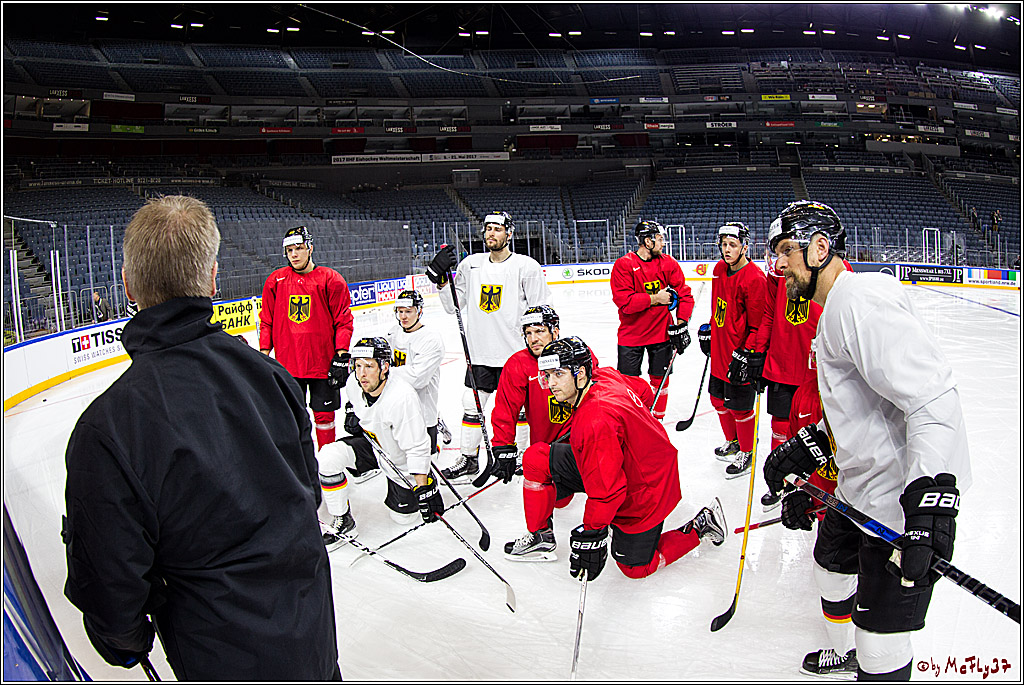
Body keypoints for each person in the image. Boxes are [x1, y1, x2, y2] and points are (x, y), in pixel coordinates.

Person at [62, 195, 340, 680]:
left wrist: (127, 641)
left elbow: (112, 594)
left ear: (127, 284)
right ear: (213, 278)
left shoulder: (106, 429)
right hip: (312, 637)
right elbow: (308, 493)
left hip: (218, 655)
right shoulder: (272, 377)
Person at [762, 200, 971, 681]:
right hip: (856, 490)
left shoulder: (858, 300)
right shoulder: (833, 310)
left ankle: (871, 660)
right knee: (830, 570)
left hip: (898, 504)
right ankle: (844, 654)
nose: (777, 263)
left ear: (820, 248)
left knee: (881, 646)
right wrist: (809, 445)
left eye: (786, 250)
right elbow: (864, 409)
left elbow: (931, 397)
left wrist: (932, 503)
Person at [513, 335, 727, 578]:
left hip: (647, 486)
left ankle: (702, 525)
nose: (551, 383)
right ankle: (540, 537)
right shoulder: (603, 376)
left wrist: (592, 534)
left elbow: (608, 492)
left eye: (559, 374)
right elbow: (644, 390)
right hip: (622, 461)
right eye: (548, 374)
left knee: (635, 568)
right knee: (536, 458)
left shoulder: (595, 422)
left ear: (580, 373)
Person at [736, 213, 852, 511]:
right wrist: (759, 352)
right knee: (781, 425)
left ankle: (817, 485)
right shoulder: (777, 276)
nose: (780, 262)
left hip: (815, 370)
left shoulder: (841, 280)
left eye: (787, 251)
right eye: (778, 254)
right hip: (781, 363)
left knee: (819, 433)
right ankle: (783, 482)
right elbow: (769, 314)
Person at [425, 211, 551, 483]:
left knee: (519, 410)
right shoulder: (471, 264)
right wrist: (443, 281)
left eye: (497, 228)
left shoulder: (525, 266)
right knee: (470, 406)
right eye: (487, 229)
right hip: (480, 353)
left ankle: (518, 455)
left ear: (509, 233)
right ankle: (469, 459)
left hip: (515, 355)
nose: (491, 233)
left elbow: (541, 308)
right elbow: (452, 305)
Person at [316, 337, 444, 549]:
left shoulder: (402, 397)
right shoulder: (353, 383)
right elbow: (356, 401)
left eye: (369, 366)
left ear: (384, 366)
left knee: (403, 518)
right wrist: (352, 411)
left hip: (399, 460)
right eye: (357, 366)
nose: (362, 373)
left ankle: (434, 454)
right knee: (327, 458)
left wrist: (424, 489)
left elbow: (416, 447)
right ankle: (343, 521)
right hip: (373, 445)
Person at [260, 225, 354, 450]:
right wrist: (264, 355)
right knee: (291, 416)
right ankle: (299, 462)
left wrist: (341, 355)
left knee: (324, 416)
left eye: (299, 248)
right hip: (288, 364)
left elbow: (343, 319)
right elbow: (267, 320)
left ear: (310, 248)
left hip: (322, 363)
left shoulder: (331, 279)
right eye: (290, 250)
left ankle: (326, 461)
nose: (294, 254)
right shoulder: (275, 281)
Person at [610, 219, 695, 420]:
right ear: (647, 241)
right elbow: (625, 303)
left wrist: (681, 323)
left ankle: (657, 419)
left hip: (661, 334)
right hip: (631, 336)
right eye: (659, 239)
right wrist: (655, 299)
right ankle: (632, 420)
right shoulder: (624, 265)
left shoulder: (668, 263)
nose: (662, 243)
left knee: (661, 379)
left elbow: (685, 295)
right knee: (628, 382)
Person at [703, 222, 766, 479]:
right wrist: (709, 329)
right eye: (724, 245)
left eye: (733, 245)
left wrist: (747, 353)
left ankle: (747, 451)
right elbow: (719, 308)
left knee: (741, 408)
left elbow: (758, 324)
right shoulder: (719, 269)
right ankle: (734, 441)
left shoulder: (754, 279)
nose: (727, 250)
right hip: (720, 352)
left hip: (738, 357)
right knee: (717, 400)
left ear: (745, 247)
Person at [386, 289, 446, 456]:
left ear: (419, 311)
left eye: (408, 311)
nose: (403, 316)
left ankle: (437, 426)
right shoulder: (394, 332)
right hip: (399, 403)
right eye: (400, 311)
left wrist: (384, 375)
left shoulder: (431, 339)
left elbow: (418, 378)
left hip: (423, 408)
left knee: (427, 459)